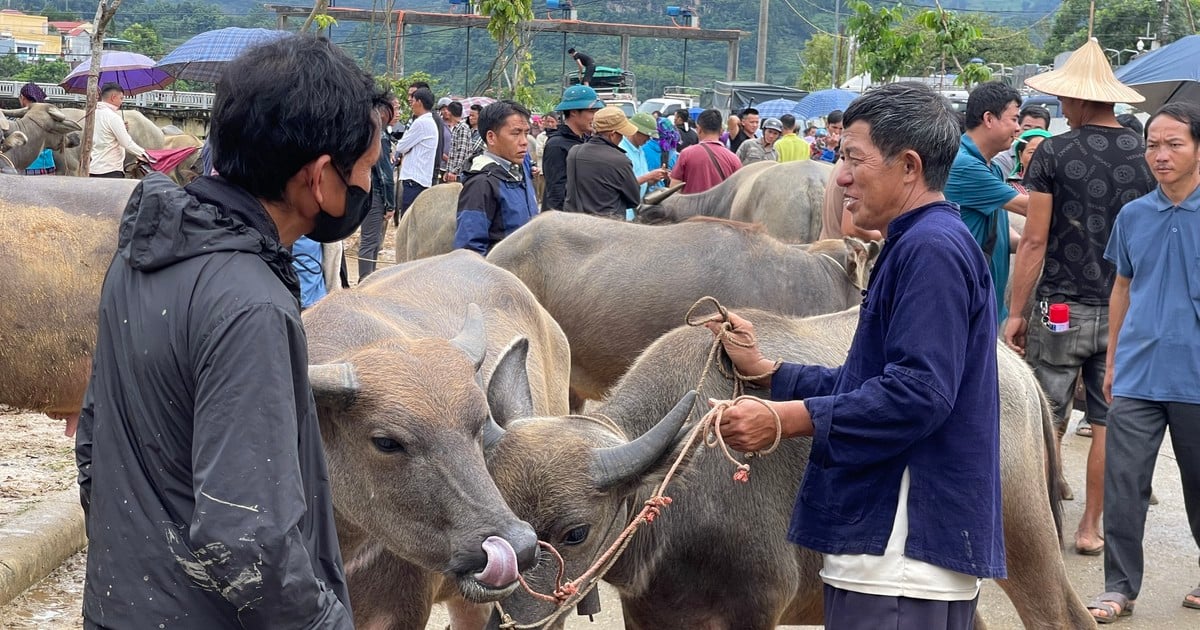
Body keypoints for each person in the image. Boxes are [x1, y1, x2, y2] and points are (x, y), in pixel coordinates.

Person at [75, 34, 388, 629]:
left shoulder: (145, 252)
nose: (370, 190)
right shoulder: (251, 303)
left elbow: (94, 443)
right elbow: (246, 536)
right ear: (320, 178)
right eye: (367, 171)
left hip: (123, 606)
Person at [707, 82, 1004, 629]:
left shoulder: (930, 249)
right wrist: (772, 374)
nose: (839, 175)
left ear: (909, 166)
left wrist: (783, 421)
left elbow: (918, 394)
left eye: (852, 158)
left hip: (900, 550)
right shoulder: (916, 240)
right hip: (886, 549)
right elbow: (869, 378)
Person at [1004, 38, 1155, 561]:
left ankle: (1044, 521)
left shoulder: (1054, 151)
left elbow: (1037, 240)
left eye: (1066, 98)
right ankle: (1091, 527)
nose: (1062, 106)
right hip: (1126, 310)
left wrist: (1017, 312)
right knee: (1108, 418)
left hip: (1062, 307)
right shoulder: (1146, 155)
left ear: (1080, 100)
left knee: (1047, 413)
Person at [1090, 101, 1200, 624]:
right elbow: (1122, 287)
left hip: (1197, 377)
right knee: (1124, 482)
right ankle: (1118, 587)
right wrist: (1112, 361)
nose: (1160, 154)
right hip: (1137, 373)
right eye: (1153, 144)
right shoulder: (1133, 214)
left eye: (1174, 143)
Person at [943, 81, 1028, 324]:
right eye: (1013, 119)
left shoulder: (992, 167)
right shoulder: (965, 164)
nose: (1018, 128)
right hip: (965, 303)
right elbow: (1029, 207)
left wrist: (1027, 245)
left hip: (985, 301)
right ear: (989, 119)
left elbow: (999, 228)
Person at [453, 100, 539, 255]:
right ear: (491, 137)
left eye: (526, 133)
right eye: (515, 133)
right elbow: (469, 250)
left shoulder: (518, 168)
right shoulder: (481, 183)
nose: (524, 142)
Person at [564, 106, 641, 217]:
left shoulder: (574, 153)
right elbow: (634, 200)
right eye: (621, 135)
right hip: (606, 227)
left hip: (575, 224)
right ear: (613, 134)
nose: (622, 138)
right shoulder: (620, 160)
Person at [541, 84, 602, 211]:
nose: (595, 116)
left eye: (596, 111)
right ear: (573, 112)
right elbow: (556, 191)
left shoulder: (586, 140)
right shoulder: (556, 145)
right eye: (591, 111)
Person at [359, 100, 398, 281]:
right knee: (370, 240)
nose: (397, 113)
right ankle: (365, 281)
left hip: (368, 191)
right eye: (394, 108)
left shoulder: (370, 132)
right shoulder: (379, 136)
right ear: (383, 112)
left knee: (373, 240)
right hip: (375, 194)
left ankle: (369, 278)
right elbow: (386, 176)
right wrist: (390, 204)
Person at [393, 87, 439, 222]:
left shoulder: (421, 123)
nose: (411, 104)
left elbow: (401, 146)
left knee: (408, 220)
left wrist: (405, 147)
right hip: (421, 178)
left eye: (412, 101)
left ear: (419, 102)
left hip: (415, 179)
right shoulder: (428, 121)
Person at [669, 108, 741, 194]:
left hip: (690, 206)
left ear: (699, 129)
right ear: (721, 131)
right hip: (721, 207)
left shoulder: (686, 154)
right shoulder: (734, 159)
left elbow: (674, 188)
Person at [89, 82, 150, 178]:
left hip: (93, 169)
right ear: (113, 97)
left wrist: (122, 128)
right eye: (121, 98)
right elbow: (127, 143)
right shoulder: (113, 117)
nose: (122, 102)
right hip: (110, 170)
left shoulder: (93, 114)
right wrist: (146, 155)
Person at [620, 112, 670, 198]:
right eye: (646, 135)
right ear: (635, 130)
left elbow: (641, 182)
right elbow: (624, 185)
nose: (648, 139)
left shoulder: (640, 150)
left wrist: (654, 178)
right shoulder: (622, 150)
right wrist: (648, 176)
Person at [992, 105, 1051, 176]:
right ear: (1017, 129)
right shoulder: (1002, 160)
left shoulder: (1053, 157)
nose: (1031, 134)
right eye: (1026, 129)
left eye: (1038, 130)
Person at [16, 82, 56, 175]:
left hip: (27, 166)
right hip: (48, 166)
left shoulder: (22, 119)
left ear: (23, 98)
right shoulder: (48, 115)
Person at [1006, 128, 1052, 194]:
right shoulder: (1008, 188)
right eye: (1032, 152)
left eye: (1044, 152)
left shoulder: (1061, 185)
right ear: (1020, 155)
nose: (1037, 157)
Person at [444, 100, 473, 182]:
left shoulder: (463, 127)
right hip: (453, 173)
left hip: (459, 175)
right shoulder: (457, 127)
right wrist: (448, 171)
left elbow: (461, 152)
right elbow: (453, 152)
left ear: (450, 113)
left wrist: (454, 171)